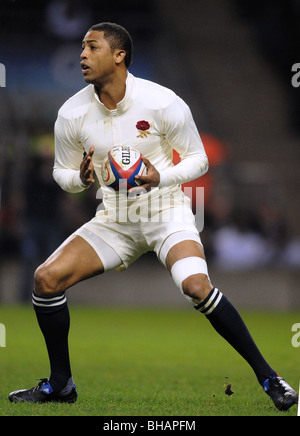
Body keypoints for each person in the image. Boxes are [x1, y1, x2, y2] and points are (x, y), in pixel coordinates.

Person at [9, 22, 298, 411]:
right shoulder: (71, 113)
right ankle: (61, 384)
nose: (82, 55)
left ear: (119, 55)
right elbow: (63, 173)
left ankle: (270, 377)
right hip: (114, 220)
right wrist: (79, 178)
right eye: (82, 47)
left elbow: (198, 159)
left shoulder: (162, 102)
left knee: (196, 286)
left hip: (167, 212)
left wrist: (160, 175)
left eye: (91, 47)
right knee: (46, 279)